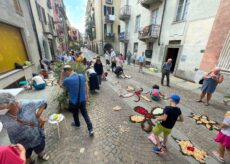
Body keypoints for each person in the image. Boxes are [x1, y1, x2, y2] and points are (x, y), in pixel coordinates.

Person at [0, 93, 49, 163]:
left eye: (3, 109)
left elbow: (44, 102)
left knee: (39, 147)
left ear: (13, 103)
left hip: (34, 136)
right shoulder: (1, 114)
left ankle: (41, 154)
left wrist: (38, 115)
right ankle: (29, 160)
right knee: (26, 155)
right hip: (19, 141)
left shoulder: (27, 104)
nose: (1, 111)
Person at [60, 65, 94, 136]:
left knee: (75, 113)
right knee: (85, 114)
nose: (65, 74)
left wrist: (61, 75)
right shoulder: (81, 76)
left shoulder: (67, 80)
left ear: (67, 71)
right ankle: (90, 129)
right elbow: (86, 85)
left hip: (74, 101)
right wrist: (87, 95)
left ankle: (77, 124)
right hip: (83, 100)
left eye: (65, 72)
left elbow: (61, 85)